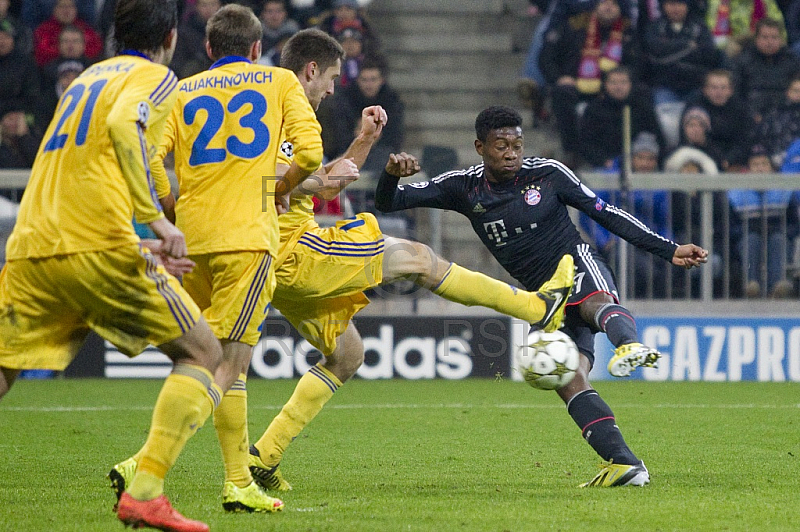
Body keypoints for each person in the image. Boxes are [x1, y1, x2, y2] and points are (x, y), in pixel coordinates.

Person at [245, 34, 575, 493]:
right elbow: (279, 180)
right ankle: (539, 309)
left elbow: (326, 184)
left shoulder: (288, 114)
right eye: (333, 79)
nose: (334, 90)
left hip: (281, 259)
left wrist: (362, 142)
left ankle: (264, 455)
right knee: (419, 258)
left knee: (346, 356)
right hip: (293, 253)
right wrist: (307, 183)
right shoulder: (278, 113)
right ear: (311, 70)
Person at [375, 106, 709, 487]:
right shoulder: (463, 187)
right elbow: (389, 202)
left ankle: (629, 345)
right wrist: (389, 175)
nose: (511, 152)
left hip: (576, 262)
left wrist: (669, 249)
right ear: (480, 147)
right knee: (569, 379)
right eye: (501, 145)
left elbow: (607, 213)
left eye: (517, 144)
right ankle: (624, 464)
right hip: (543, 297)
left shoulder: (549, 174)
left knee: (593, 302)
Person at [0, 1, 225, 531]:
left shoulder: (85, 80)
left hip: (32, 245)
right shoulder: (157, 77)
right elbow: (127, 126)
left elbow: (82, 165)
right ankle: (145, 491)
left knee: (4, 369)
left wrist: (139, 244)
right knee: (203, 351)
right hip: (94, 247)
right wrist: (158, 224)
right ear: (170, 36)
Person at [109, 7, 325, 515]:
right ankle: (142, 463)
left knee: (228, 361)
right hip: (247, 241)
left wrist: (167, 207)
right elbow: (311, 154)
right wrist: (281, 188)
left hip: (193, 239)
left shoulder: (181, 90)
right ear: (257, 47)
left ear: (208, 49)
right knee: (224, 362)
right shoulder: (278, 81)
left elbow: (148, 155)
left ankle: (238, 481)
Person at [539, 0, 640, 165]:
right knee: (561, 93)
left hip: (613, 88)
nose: (608, 7)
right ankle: (571, 151)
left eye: (613, 4)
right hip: (577, 85)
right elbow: (546, 58)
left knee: (639, 94)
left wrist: (621, 80)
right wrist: (559, 77)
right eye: (604, 2)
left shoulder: (628, 32)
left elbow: (638, 64)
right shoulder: (574, 26)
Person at [319, 53, 403, 174]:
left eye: (373, 79)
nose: (369, 85)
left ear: (382, 80)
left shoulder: (393, 102)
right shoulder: (344, 101)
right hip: (346, 153)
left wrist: (375, 137)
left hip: (381, 155)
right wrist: (360, 136)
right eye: (364, 80)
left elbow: (395, 138)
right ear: (358, 80)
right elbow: (337, 137)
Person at [578, 65, 664, 169]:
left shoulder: (643, 108)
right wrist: (603, 161)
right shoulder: (594, 109)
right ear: (605, 84)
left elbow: (657, 138)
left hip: (639, 165)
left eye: (623, 82)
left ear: (630, 84)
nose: (618, 87)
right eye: (613, 82)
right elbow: (585, 142)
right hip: (604, 165)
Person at [643, 0, 721, 106]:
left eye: (680, 4)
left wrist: (669, 48)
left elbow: (708, 54)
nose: (676, 8)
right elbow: (655, 51)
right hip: (664, 86)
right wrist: (688, 45)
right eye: (671, 4)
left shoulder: (699, 27)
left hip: (695, 86)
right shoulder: (654, 27)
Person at [730, 17, 800, 122]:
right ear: (756, 39)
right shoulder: (742, 61)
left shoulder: (792, 61)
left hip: (788, 116)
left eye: (774, 37)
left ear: (781, 39)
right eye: (765, 37)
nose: (769, 42)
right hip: (751, 117)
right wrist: (751, 114)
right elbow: (736, 95)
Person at [681, 69, 753, 169]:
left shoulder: (741, 109)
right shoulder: (694, 106)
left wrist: (729, 160)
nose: (719, 92)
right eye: (714, 88)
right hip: (700, 155)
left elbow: (745, 140)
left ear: (730, 90)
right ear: (705, 90)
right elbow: (685, 137)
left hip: (733, 160)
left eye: (723, 88)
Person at [32, 0, 102, 66]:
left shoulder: (86, 29)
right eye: (62, 7)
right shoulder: (43, 30)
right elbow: (41, 53)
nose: (66, 11)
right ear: (54, 9)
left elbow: (96, 50)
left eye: (70, 7)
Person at [169, 0, 221, 79]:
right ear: (196, 7)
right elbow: (178, 64)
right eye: (204, 5)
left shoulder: (226, 30)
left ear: (220, 5)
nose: (209, 9)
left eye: (213, 4)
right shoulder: (185, 32)